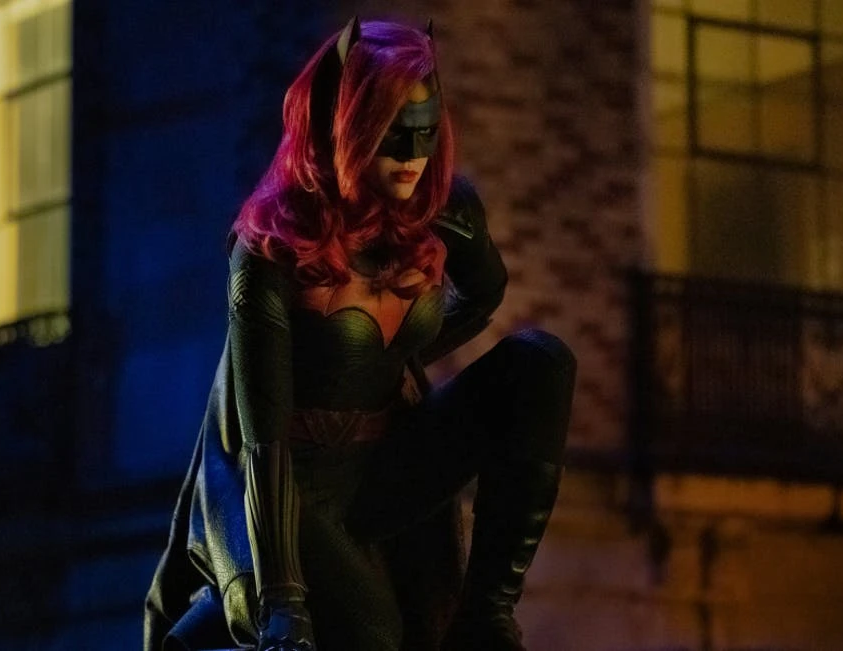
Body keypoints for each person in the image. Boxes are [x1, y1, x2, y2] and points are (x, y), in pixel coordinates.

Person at [144, 18, 576, 651]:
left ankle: (485, 618)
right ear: (349, 127)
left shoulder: (443, 210)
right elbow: (263, 442)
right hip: (289, 483)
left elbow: (485, 291)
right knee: (372, 636)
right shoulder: (270, 247)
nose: (412, 155)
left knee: (540, 364)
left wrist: (388, 361)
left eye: (425, 132)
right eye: (393, 133)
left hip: (383, 464)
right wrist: (283, 600)